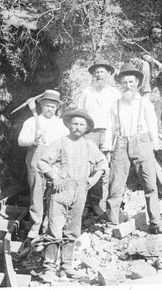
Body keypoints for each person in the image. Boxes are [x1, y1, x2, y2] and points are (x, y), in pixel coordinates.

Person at [37, 109, 107, 282]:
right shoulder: (60, 142)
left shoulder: (89, 145)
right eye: (74, 123)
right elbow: (42, 162)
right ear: (68, 125)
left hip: (80, 192)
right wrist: (54, 175)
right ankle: (49, 268)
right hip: (60, 192)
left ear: (87, 128)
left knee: (73, 231)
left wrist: (94, 178)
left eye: (81, 124)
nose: (77, 127)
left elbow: (103, 163)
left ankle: (66, 267)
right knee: (54, 230)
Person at [102, 64, 162, 235]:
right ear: (120, 85)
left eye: (131, 82)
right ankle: (111, 223)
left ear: (137, 83)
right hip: (121, 144)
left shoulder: (144, 102)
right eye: (124, 83)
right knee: (115, 184)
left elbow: (153, 124)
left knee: (150, 185)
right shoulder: (115, 104)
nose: (127, 86)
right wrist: (107, 148)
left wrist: (154, 145)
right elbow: (110, 127)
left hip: (142, 142)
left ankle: (155, 222)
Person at [18, 89, 69, 240]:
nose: (50, 109)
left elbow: (66, 143)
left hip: (54, 162)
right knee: (36, 192)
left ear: (57, 108)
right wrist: (33, 139)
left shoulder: (61, 125)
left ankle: (48, 225)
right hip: (36, 158)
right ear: (41, 106)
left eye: (53, 107)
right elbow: (21, 141)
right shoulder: (31, 122)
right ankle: (35, 225)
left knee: (53, 193)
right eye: (47, 106)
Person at [77, 59, 121, 216]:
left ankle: (96, 202)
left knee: (102, 169)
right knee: (86, 168)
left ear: (108, 74)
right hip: (89, 133)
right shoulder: (86, 92)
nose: (99, 74)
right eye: (96, 72)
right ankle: (83, 203)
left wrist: (113, 138)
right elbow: (79, 114)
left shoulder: (115, 94)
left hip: (109, 132)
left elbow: (119, 116)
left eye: (102, 71)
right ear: (93, 75)